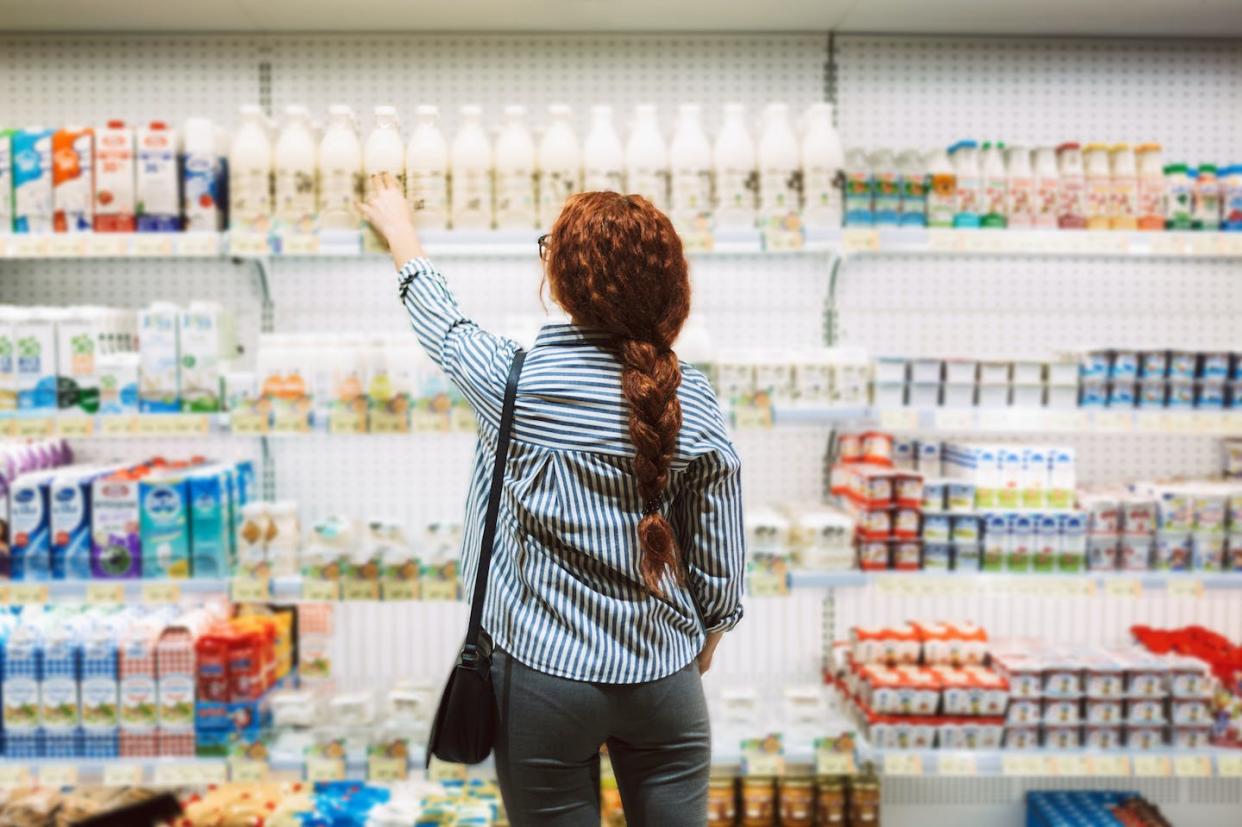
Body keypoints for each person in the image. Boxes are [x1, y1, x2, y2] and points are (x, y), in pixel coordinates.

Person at [360, 173, 746, 827]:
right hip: (664, 675)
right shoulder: (691, 396)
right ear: (668, 283)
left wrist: (400, 230)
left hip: (542, 675)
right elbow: (717, 542)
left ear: (561, 279)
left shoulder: (511, 383)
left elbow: (442, 322)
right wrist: (710, 627)